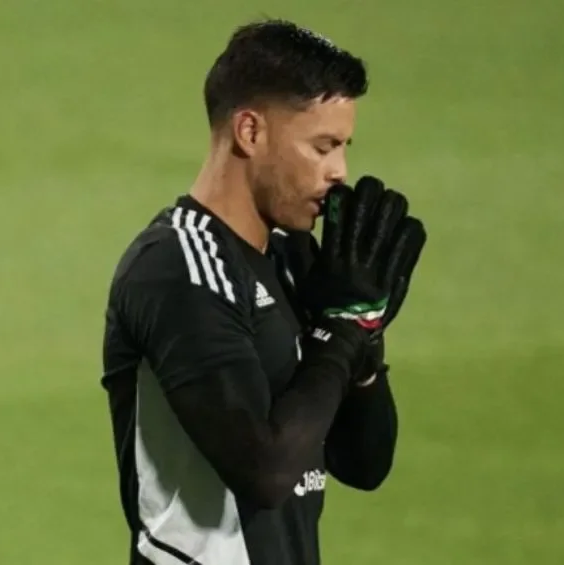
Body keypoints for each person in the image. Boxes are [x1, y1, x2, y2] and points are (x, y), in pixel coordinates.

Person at [100, 18, 427, 565]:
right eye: (323, 147)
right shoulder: (178, 267)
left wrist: (365, 343)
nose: (339, 172)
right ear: (250, 132)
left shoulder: (293, 258)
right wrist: (342, 334)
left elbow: (364, 464)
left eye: (344, 146)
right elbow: (266, 470)